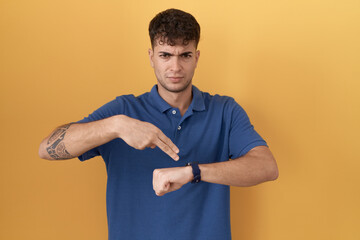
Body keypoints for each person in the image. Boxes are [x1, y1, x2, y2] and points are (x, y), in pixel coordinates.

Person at [39, 8, 278, 240]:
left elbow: (266, 167)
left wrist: (193, 172)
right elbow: (47, 148)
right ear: (151, 57)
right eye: (165, 55)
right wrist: (117, 126)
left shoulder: (224, 110)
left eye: (184, 55)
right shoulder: (124, 110)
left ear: (196, 57)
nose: (175, 67)